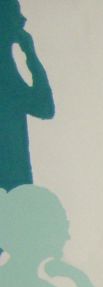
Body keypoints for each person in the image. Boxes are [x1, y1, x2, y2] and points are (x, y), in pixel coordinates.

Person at [0, 0, 54, 192]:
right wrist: (30, 53)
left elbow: (45, 108)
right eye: (15, 14)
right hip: (11, 182)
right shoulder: (4, 70)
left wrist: (30, 53)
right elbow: (44, 107)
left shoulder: (6, 66)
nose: (22, 20)